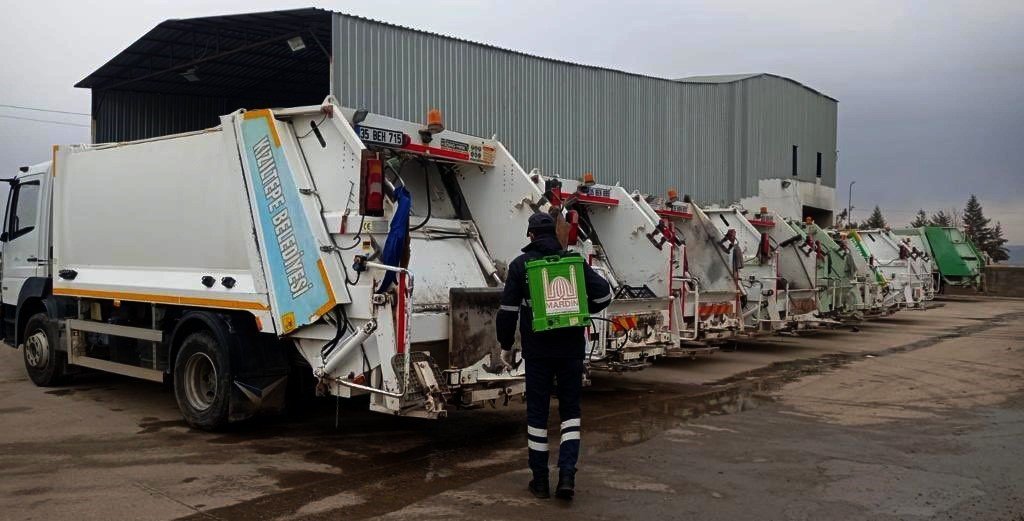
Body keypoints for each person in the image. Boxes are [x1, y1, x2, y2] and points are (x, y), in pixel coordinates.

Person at [496, 213, 612, 500]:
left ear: (531, 235)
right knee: (570, 413)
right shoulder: (573, 263)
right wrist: (577, 305)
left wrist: (506, 345)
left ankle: (540, 481)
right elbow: (603, 296)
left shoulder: (521, 265)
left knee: (537, 415)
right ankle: (567, 476)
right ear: (555, 234)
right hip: (571, 352)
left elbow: (507, 312)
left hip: (538, 353)